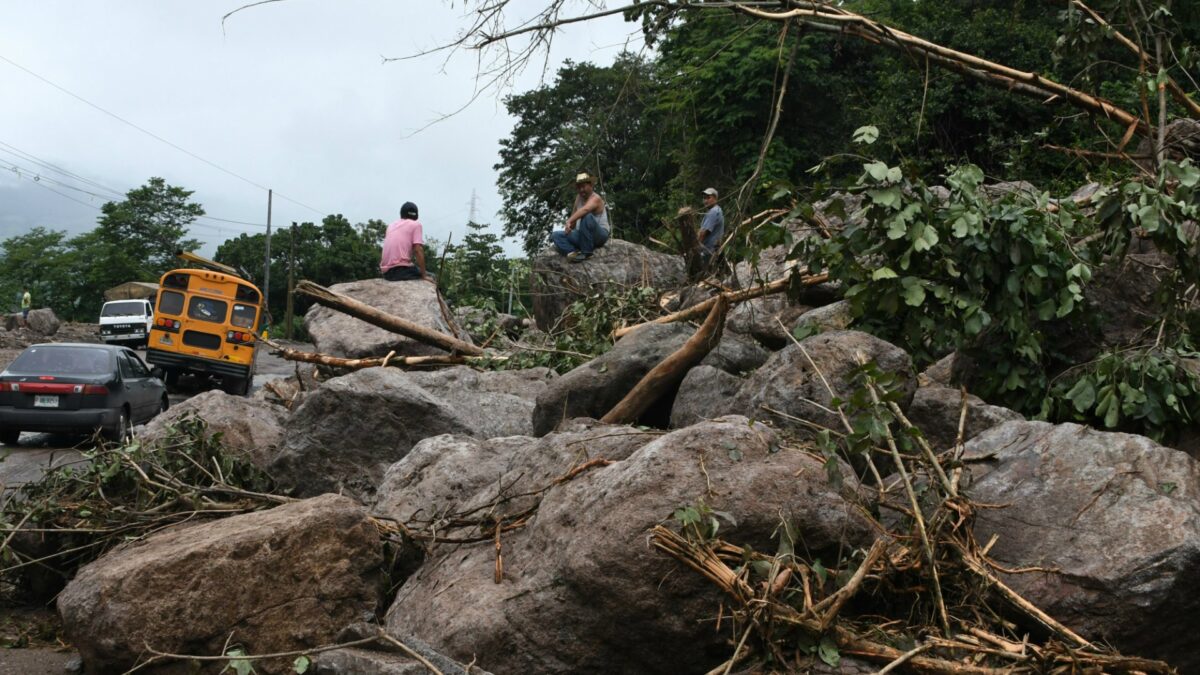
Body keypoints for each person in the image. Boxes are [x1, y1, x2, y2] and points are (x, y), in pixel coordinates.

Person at [551, 172, 610, 262]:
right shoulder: (578, 198)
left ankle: (586, 252)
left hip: (599, 235)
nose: (581, 190)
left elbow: (585, 210)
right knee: (556, 235)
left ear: (590, 185)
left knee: (586, 216)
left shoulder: (596, 198)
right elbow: (574, 215)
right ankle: (573, 253)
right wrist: (569, 228)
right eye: (579, 188)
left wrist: (569, 221)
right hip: (583, 236)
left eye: (583, 187)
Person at [380, 202, 432, 282]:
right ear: (416, 215)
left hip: (386, 273)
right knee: (432, 276)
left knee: (414, 268)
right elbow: (418, 250)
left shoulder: (391, 225)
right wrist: (424, 275)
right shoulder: (416, 225)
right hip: (400, 271)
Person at [698, 187, 724, 261]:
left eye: (708, 198)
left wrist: (695, 248)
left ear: (715, 199)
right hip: (713, 250)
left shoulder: (713, 211)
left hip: (708, 252)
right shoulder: (717, 210)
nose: (705, 201)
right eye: (704, 198)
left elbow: (704, 232)